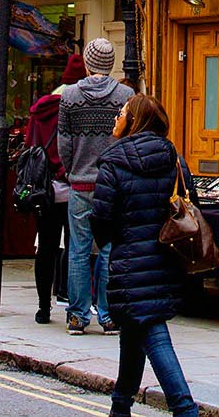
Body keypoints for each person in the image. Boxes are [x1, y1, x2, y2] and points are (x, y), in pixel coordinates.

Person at [90, 94, 200, 417]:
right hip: (165, 263)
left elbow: (101, 221)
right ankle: (120, 406)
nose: (115, 119)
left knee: (153, 333)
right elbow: (191, 201)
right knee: (134, 331)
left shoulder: (114, 163)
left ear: (134, 121)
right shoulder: (174, 159)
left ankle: (185, 408)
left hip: (130, 265)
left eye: (121, 114)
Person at [57, 37, 133, 335]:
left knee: (78, 248)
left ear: (88, 63)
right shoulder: (125, 95)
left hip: (80, 185)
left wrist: (72, 169)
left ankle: (77, 316)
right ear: (111, 64)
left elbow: (64, 142)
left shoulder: (70, 96)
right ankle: (107, 314)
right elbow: (127, 140)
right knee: (109, 249)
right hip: (112, 186)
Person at [25, 52, 85, 323]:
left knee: (46, 248)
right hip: (75, 187)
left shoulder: (40, 109)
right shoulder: (79, 106)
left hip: (45, 190)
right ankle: (74, 305)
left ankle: (43, 307)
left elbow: (29, 146)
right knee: (76, 249)